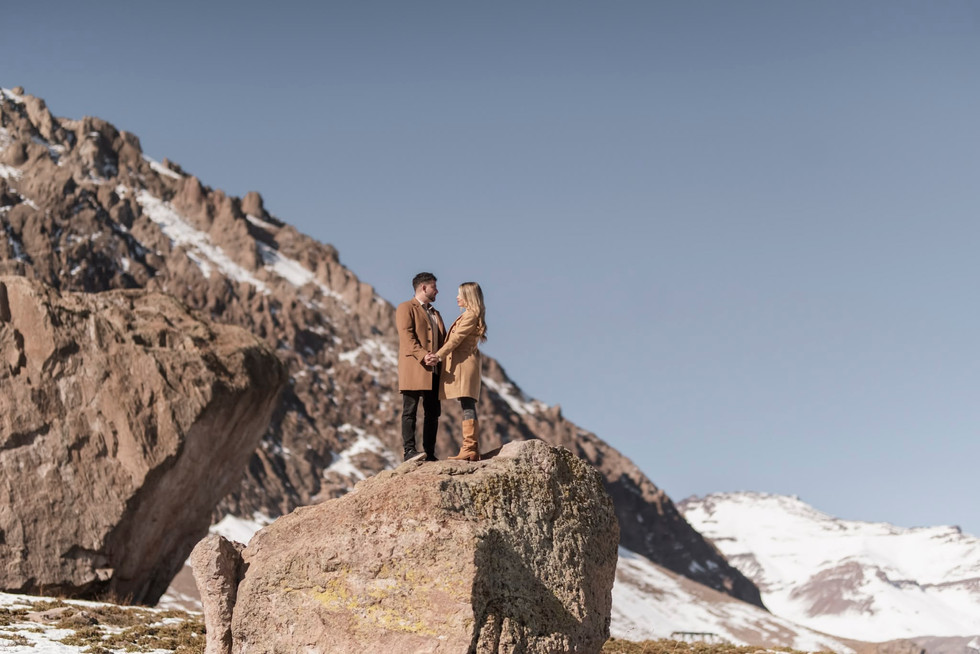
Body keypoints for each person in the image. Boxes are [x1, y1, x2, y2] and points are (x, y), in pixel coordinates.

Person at [425, 282, 488, 462]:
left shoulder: (470, 316)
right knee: (466, 403)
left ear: (469, 296)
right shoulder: (469, 315)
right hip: (464, 364)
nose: (457, 297)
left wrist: (438, 356)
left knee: (468, 404)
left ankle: (470, 447)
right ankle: (470, 447)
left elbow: (455, 339)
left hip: (465, 365)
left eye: (460, 294)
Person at [396, 272, 446, 461]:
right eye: (434, 287)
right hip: (414, 367)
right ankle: (409, 451)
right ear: (423, 287)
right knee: (410, 410)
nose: (437, 291)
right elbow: (406, 336)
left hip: (434, 369)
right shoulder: (406, 307)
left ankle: (429, 454)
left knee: (433, 413)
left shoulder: (435, 313)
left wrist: (438, 358)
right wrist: (424, 355)